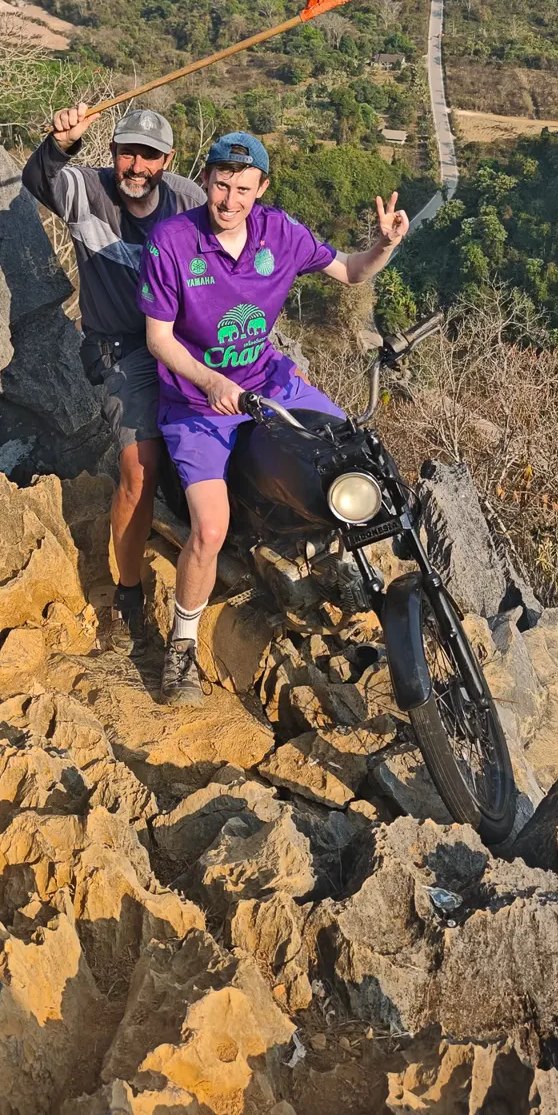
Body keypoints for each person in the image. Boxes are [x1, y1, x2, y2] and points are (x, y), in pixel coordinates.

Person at [141, 131, 409, 704]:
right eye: (220, 185)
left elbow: (352, 272)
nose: (229, 199)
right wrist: (211, 382)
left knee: (356, 454)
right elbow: (158, 338)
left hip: (270, 384)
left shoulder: (280, 233)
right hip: (197, 404)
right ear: (206, 180)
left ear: (261, 188)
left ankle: (368, 584)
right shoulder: (173, 241)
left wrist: (382, 246)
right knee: (210, 529)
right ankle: (181, 646)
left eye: (242, 188)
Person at [22, 100, 205, 650]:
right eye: (128, 153)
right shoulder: (89, 189)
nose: (136, 166)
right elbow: (40, 176)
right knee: (139, 467)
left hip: (184, 341)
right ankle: (129, 593)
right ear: (114, 152)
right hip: (121, 348)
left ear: (168, 160)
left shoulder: (188, 201)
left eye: (149, 156)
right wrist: (63, 141)